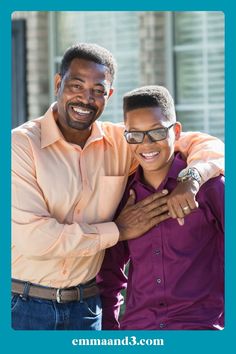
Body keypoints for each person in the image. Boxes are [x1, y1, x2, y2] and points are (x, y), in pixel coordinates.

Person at [12, 43, 224, 330]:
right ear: (58, 83)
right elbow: (35, 239)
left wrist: (192, 177)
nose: (86, 99)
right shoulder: (20, 146)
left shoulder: (121, 142)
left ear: (108, 95)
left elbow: (200, 143)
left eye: (98, 90)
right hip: (24, 306)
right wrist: (119, 231)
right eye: (76, 85)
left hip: (87, 310)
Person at [97, 85, 224, 330]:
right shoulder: (123, 196)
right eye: (135, 135)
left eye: (156, 132)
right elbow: (109, 276)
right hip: (139, 332)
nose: (146, 145)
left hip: (201, 330)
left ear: (176, 131)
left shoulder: (209, 188)